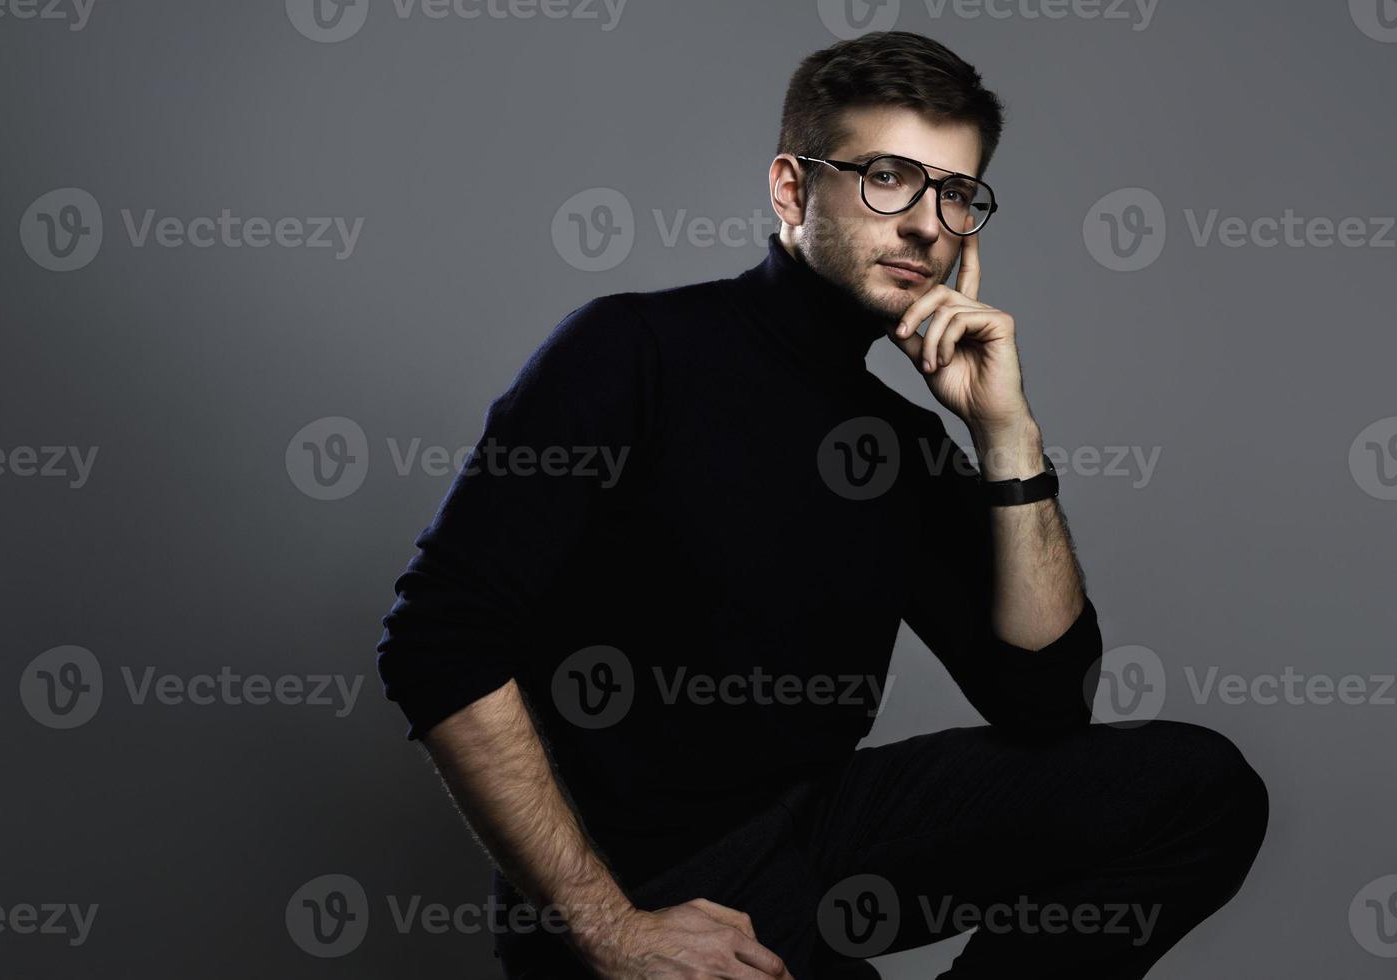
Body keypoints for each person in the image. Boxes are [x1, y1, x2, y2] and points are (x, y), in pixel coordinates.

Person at [375, 30, 1268, 979]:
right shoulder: (633, 350)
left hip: (819, 843)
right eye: (889, 176)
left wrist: (1006, 437)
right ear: (792, 190)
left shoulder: (907, 443)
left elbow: (1047, 705)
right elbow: (438, 640)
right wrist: (607, 929)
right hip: (647, 883)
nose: (928, 223)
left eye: (955, 193)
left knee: (1198, 792)